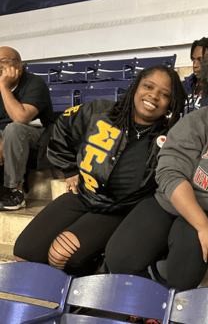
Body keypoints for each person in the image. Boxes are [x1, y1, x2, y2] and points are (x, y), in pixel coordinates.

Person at [105, 48, 208, 292]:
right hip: (171, 202)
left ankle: (173, 310)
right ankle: (147, 309)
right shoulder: (201, 120)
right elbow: (169, 172)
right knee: (120, 257)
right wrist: (203, 227)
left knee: (184, 264)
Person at [13, 65, 187, 278]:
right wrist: (69, 169)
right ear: (135, 87)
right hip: (84, 195)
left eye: (164, 94)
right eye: (148, 86)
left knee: (61, 253)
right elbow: (61, 128)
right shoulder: (98, 111)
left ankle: (86, 286)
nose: (154, 95)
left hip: (121, 208)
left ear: (171, 102)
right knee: (24, 252)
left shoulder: (172, 135)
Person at [0, 46, 55, 210]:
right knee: (9, 131)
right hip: (6, 134)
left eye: (3, 62)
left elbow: (21, 118)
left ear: (18, 65)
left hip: (40, 135)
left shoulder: (35, 83)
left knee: (14, 129)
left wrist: (4, 87)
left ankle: (15, 193)